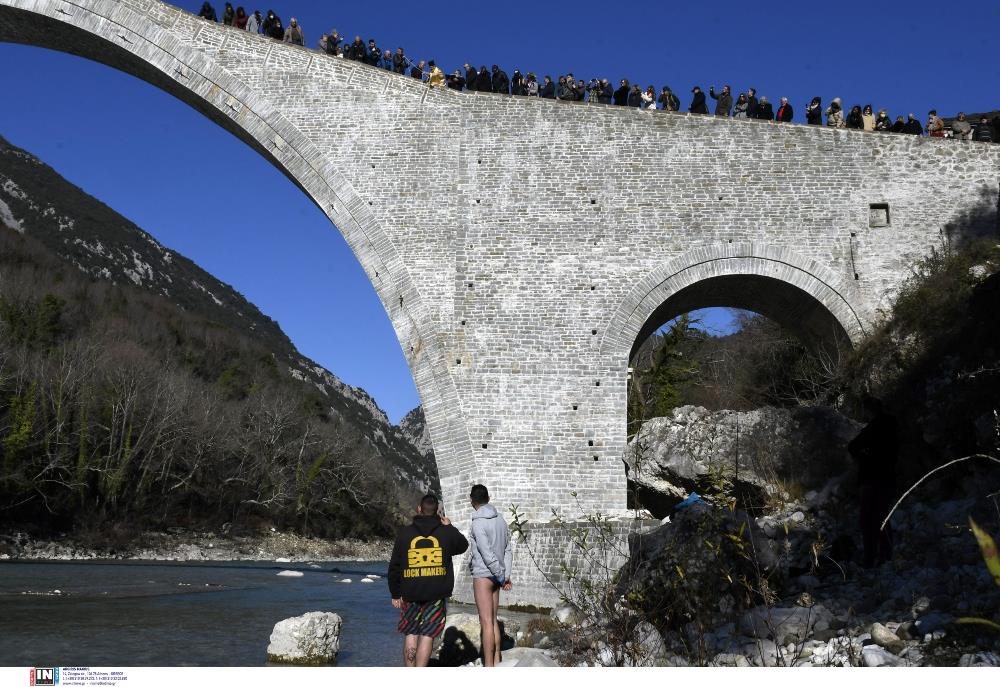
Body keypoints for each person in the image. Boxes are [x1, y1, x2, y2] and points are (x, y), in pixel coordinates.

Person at [388, 494, 469, 667]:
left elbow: (394, 566)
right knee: (427, 635)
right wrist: (450, 526)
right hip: (436, 594)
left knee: (411, 633)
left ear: (419, 509)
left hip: (410, 593)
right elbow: (463, 545)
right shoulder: (446, 532)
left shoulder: (405, 533)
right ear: (438, 512)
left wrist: (395, 593)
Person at [847, 397, 898, 569]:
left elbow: (852, 446)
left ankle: (870, 558)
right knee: (882, 516)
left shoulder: (875, 426)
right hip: (887, 478)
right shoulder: (893, 425)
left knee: (868, 519)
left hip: (870, 478)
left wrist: (864, 456)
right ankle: (886, 554)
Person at [468, 484, 513, 668]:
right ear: (489, 497)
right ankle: (496, 660)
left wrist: (500, 575)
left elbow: (486, 554)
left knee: (486, 622)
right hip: (497, 576)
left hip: (484, 576)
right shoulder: (501, 519)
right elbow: (508, 549)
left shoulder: (477, 523)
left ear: (472, 500)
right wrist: (505, 574)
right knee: (493, 620)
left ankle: (488, 667)